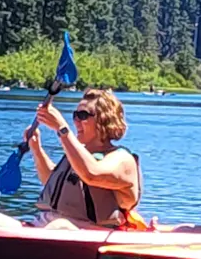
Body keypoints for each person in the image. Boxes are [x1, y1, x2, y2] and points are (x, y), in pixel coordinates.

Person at [25, 86, 141, 226]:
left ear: (103, 120)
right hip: (46, 224)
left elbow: (92, 174)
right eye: (75, 115)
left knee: (60, 226)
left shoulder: (122, 159)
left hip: (86, 231)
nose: (76, 121)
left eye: (83, 115)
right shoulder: (78, 154)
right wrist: (36, 149)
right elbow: (51, 181)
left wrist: (62, 128)